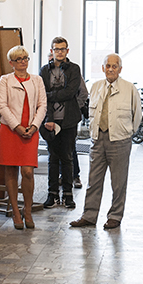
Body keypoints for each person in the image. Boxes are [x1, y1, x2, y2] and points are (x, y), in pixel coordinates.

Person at [70, 54, 142, 230]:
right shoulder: (96, 87)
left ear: (120, 69)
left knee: (118, 182)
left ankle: (115, 216)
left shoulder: (129, 88)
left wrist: (127, 133)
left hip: (119, 140)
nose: (110, 69)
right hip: (98, 140)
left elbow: (137, 115)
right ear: (103, 68)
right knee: (93, 180)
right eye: (107, 66)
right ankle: (89, 216)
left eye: (114, 66)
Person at [0, 45, 46, 229]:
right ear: (11, 63)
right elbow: (2, 105)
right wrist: (16, 126)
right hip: (10, 130)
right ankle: (16, 212)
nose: (23, 62)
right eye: (19, 59)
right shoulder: (5, 80)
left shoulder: (37, 80)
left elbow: (42, 105)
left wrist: (34, 126)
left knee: (28, 172)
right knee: (11, 171)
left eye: (25, 58)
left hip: (30, 130)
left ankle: (28, 210)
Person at [39, 37, 83, 209]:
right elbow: (42, 96)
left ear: (67, 51)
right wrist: (49, 119)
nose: (59, 52)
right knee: (53, 158)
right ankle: (52, 194)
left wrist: (50, 94)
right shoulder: (44, 70)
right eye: (56, 49)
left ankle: (68, 195)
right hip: (50, 120)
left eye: (62, 49)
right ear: (52, 51)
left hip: (69, 120)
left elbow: (70, 92)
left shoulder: (74, 69)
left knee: (67, 157)